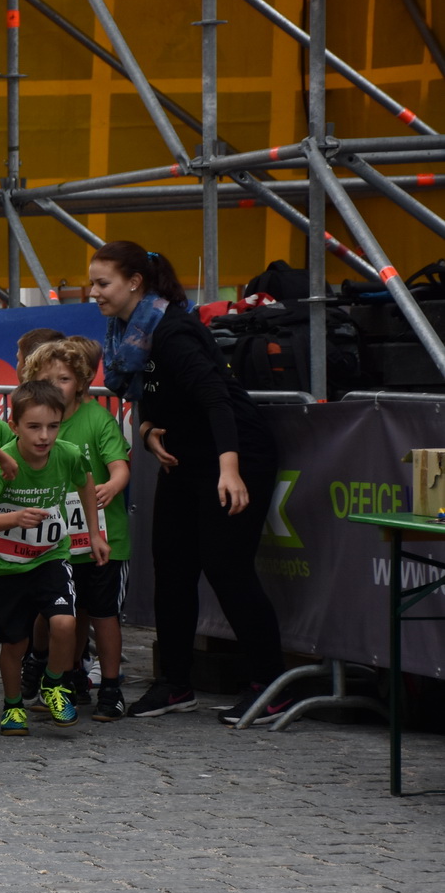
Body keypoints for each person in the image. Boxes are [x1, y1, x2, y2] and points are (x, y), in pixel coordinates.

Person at [87, 241, 285, 725]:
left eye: (102, 283)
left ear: (134, 282)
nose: (93, 292)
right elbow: (154, 394)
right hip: (187, 457)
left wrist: (230, 470)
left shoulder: (172, 331)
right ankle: (175, 683)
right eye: (91, 282)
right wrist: (151, 430)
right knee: (171, 566)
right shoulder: (126, 331)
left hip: (235, 453)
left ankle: (272, 686)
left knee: (226, 567)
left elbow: (217, 398)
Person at [0, 381, 108, 735]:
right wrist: (14, 518)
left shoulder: (68, 454)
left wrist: (93, 534)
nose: (44, 436)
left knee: (65, 623)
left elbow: (85, 483)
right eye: (34, 427)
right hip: (5, 567)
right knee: (14, 643)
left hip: (50, 556)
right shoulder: (5, 464)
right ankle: (13, 707)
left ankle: (55, 683)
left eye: (52, 426)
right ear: (14, 426)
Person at [19, 337, 132, 721]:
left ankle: (111, 688)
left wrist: (113, 484)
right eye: (47, 379)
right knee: (57, 612)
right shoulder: (33, 421)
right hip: (53, 542)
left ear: (82, 383)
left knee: (102, 615)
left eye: (64, 378)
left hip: (102, 538)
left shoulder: (96, 418)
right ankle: (57, 671)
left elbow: (119, 464)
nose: (56, 386)